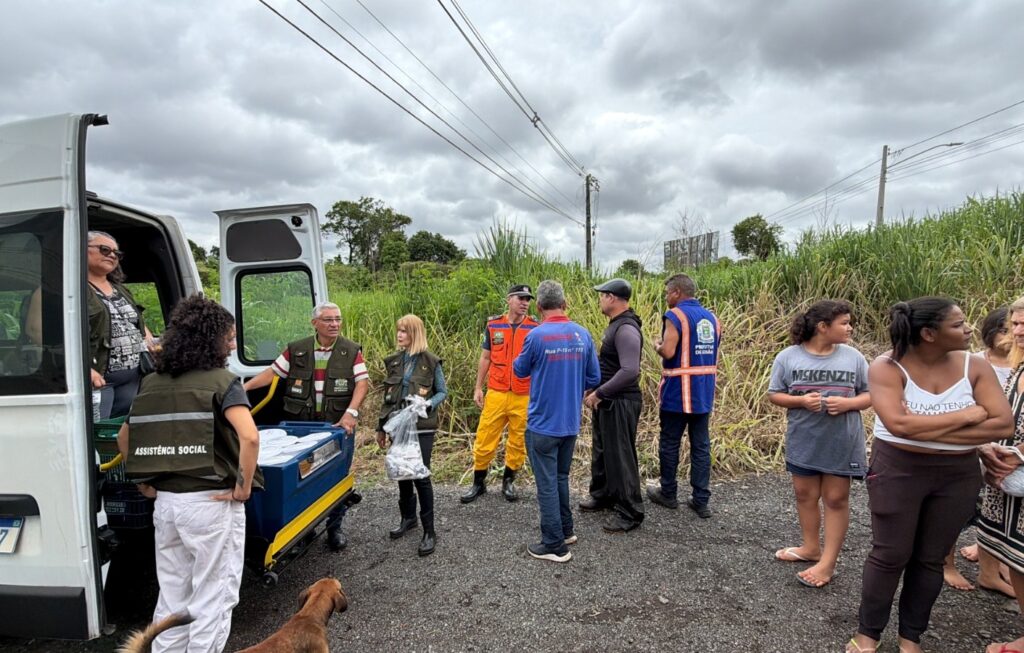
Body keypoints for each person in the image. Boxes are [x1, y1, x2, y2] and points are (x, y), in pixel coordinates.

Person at [846, 297, 1012, 653]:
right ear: (929, 333)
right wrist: (966, 416)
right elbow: (898, 424)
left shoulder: (975, 366)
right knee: (890, 554)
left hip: (958, 475)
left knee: (930, 558)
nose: (969, 329)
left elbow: (1002, 422)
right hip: (898, 470)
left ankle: (911, 637)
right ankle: (867, 634)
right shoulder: (887, 366)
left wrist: (925, 430)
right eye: (958, 324)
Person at [117, 295, 260, 653]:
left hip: (167, 506)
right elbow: (250, 437)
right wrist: (242, 488)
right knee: (213, 598)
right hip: (210, 504)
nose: (231, 344)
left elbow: (124, 437)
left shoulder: (153, 383)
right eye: (228, 337)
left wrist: (144, 483)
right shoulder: (223, 381)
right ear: (211, 339)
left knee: (173, 596)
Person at [243, 302, 368, 551]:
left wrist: (351, 413)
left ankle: (335, 528)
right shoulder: (296, 349)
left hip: (336, 427)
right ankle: (304, 532)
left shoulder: (351, 350)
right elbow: (272, 374)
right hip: (303, 429)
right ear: (315, 323)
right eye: (328, 320)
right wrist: (243, 389)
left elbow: (363, 383)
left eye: (337, 320)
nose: (334, 324)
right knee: (305, 478)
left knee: (335, 476)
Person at [767, 300, 871, 589]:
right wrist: (800, 401)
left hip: (842, 441)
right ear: (823, 327)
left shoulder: (853, 357)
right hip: (804, 439)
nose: (850, 328)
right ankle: (810, 547)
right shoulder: (789, 357)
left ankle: (828, 561)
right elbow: (775, 394)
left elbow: (871, 394)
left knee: (836, 499)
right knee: (804, 494)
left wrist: (849, 404)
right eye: (845, 323)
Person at [513, 280, 600, 563]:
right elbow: (594, 378)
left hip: (542, 425)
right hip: (569, 423)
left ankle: (554, 544)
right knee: (560, 477)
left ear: (538, 307)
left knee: (547, 483)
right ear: (565, 304)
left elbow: (520, 370)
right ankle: (566, 529)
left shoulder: (536, 336)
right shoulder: (582, 335)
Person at [945, 305, 1014, 595]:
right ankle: (946, 562)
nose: (1013, 335)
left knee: (998, 507)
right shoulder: (973, 362)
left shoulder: (1018, 365)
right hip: (976, 443)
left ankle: (996, 565)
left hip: (1009, 448)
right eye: (1006, 329)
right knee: (959, 506)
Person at [647, 273, 721, 519]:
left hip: (678, 392)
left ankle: (668, 493)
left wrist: (657, 345)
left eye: (668, 292)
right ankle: (701, 500)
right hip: (703, 392)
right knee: (700, 445)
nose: (667, 297)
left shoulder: (675, 315)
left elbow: (668, 351)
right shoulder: (712, 318)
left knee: (670, 442)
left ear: (677, 292)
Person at [376, 314, 448, 557]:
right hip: (398, 426)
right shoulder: (395, 360)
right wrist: (380, 427)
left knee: (420, 474)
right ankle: (408, 518)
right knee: (401, 471)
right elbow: (387, 397)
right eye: (398, 331)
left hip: (422, 425)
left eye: (404, 331)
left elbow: (442, 392)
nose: (399, 335)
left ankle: (429, 530)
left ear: (415, 333)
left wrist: (426, 404)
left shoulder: (431, 360)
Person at [461, 284, 539, 503]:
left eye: (528, 299)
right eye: (521, 298)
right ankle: (478, 482)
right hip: (496, 390)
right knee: (485, 436)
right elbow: (486, 358)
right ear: (509, 299)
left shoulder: (534, 328)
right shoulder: (494, 325)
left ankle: (509, 481)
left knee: (517, 440)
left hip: (523, 393)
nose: (525, 302)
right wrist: (478, 387)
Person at [978, 297, 1024, 653]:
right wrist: (990, 449)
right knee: (1014, 557)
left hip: (1016, 469)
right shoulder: (1017, 370)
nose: (1019, 332)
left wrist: (1019, 454)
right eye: (1015, 325)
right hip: (1005, 478)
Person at [582, 278, 645, 533]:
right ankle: (603, 494)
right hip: (608, 400)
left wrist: (601, 392)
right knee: (603, 451)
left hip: (620, 401)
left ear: (611, 298)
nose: (599, 299)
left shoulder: (626, 328)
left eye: (601, 295)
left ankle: (630, 511)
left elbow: (631, 370)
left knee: (619, 455)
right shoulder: (616, 325)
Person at [87, 230, 153, 418]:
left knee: (118, 434)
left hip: (131, 378)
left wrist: (151, 343)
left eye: (117, 253)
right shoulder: (70, 288)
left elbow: (136, 322)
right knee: (98, 434)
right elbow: (41, 333)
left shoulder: (120, 290)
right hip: (99, 380)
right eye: (104, 249)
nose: (112, 255)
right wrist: (85, 369)